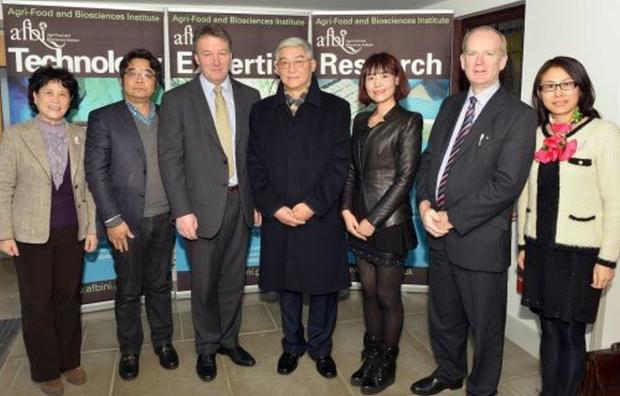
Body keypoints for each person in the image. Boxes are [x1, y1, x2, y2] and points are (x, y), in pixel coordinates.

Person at [411, 26, 537, 396]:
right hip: (437, 233)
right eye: (472, 54)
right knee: (444, 316)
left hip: (478, 239)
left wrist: (451, 217)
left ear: (502, 61)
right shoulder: (450, 105)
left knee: (485, 326)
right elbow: (429, 162)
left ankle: (482, 388)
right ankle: (449, 371)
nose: (479, 61)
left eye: (488, 54)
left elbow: (506, 183)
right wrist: (424, 204)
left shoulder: (519, 115)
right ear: (462, 61)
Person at [158, 24, 261, 382]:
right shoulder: (176, 100)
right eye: (207, 53)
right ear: (196, 58)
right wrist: (182, 210)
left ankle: (229, 340)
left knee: (234, 279)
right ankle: (206, 347)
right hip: (198, 210)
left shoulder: (251, 97)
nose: (216, 60)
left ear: (231, 56)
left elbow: (257, 156)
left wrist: (258, 200)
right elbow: (170, 160)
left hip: (241, 203)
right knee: (203, 283)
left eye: (222, 52)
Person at [247, 37, 351, 379]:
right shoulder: (261, 110)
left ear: (313, 64)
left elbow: (339, 164)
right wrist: (274, 206)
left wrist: (312, 205)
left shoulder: (337, 108)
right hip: (279, 215)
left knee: (322, 286)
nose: (291, 68)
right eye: (284, 62)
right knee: (287, 284)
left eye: (298, 60)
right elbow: (255, 164)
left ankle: (321, 349)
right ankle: (292, 346)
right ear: (276, 69)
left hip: (319, 216)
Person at [517, 56, 618, 395]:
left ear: (581, 88)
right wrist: (522, 245)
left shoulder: (603, 133)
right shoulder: (536, 134)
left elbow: (616, 201)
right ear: (539, 93)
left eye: (566, 84)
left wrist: (607, 259)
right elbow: (525, 194)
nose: (557, 93)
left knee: (571, 331)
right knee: (548, 328)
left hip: (581, 253)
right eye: (548, 86)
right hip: (540, 247)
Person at [0, 66, 98, 396]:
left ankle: (70, 361)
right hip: (30, 235)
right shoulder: (16, 135)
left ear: (70, 100)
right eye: (48, 93)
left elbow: (88, 188)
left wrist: (92, 228)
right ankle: (45, 369)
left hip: (71, 231)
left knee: (68, 300)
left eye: (63, 93)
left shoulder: (80, 136)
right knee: (37, 304)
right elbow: (3, 186)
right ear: (34, 97)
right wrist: (4, 232)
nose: (55, 99)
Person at [85, 49, 178, 381]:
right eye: (133, 72)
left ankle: (164, 342)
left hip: (166, 217)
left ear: (156, 82)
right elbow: (95, 172)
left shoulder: (170, 115)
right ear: (122, 78)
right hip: (125, 222)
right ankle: (129, 349)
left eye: (148, 73)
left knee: (159, 284)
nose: (140, 79)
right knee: (127, 289)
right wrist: (112, 220)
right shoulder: (103, 117)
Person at [341, 52, 422, 394]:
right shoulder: (360, 119)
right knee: (369, 293)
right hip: (357, 220)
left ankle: (387, 361)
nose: (376, 83)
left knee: (388, 295)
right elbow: (351, 170)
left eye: (384, 76)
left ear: (396, 80)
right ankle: (372, 353)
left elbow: (405, 178)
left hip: (388, 222)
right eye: (370, 77)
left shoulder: (409, 120)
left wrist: (374, 219)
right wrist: (346, 211)